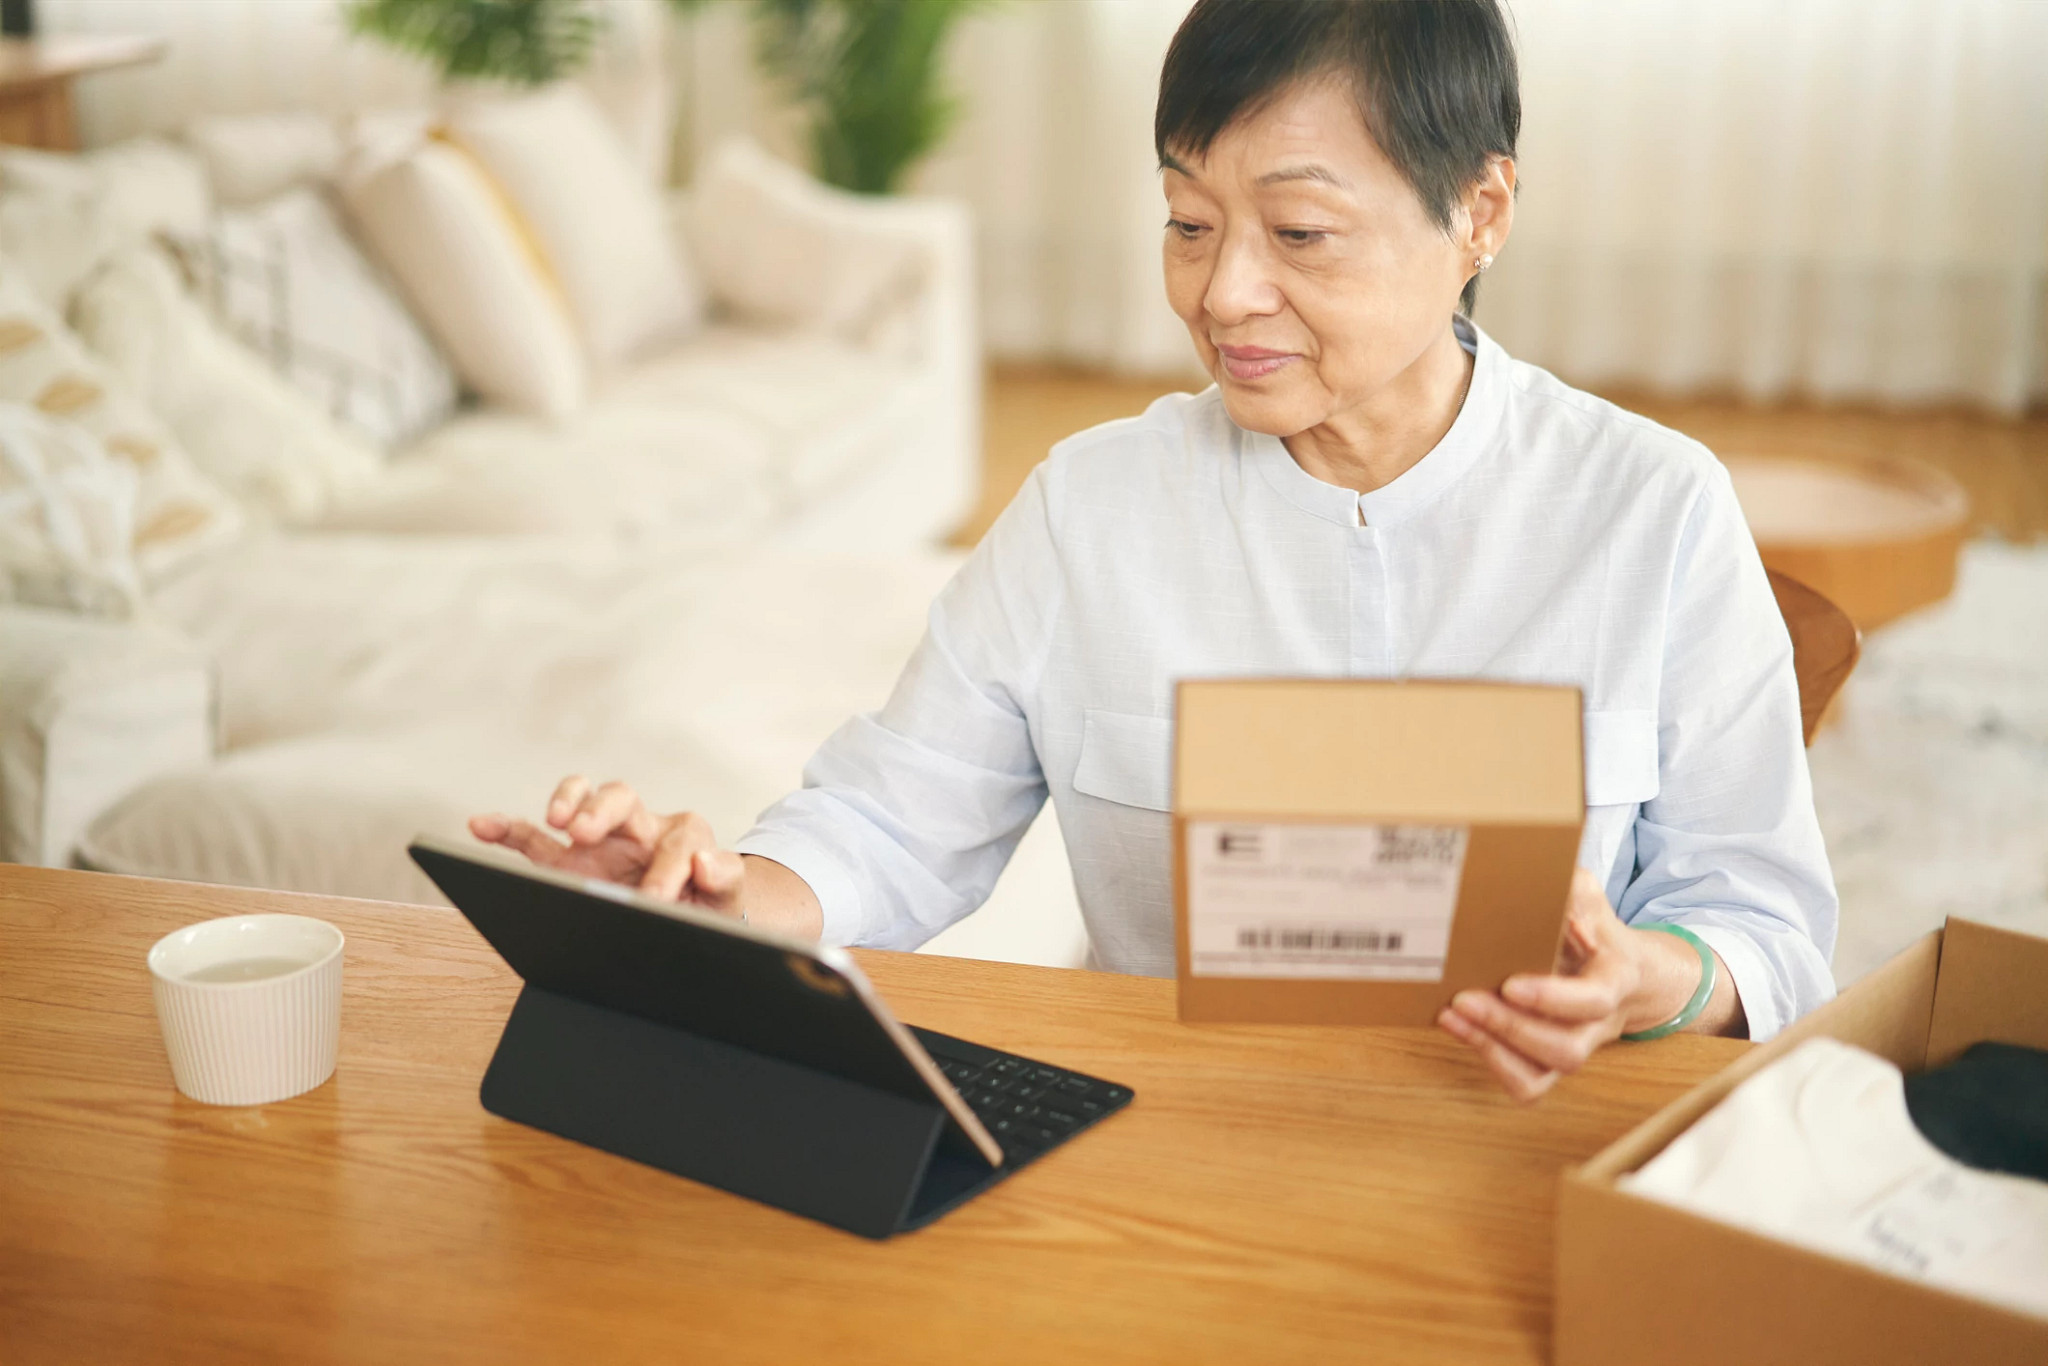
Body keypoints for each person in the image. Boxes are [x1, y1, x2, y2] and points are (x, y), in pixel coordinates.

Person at [471, 0, 1837, 1102]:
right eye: (1188, 223)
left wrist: (1655, 980)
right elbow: (888, 823)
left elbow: (1766, 927)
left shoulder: (1652, 509)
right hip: (1173, 1141)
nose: (1223, 291)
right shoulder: (1092, 509)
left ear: (1479, 212)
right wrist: (706, 904)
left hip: (1535, 1141)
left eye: (1299, 233)